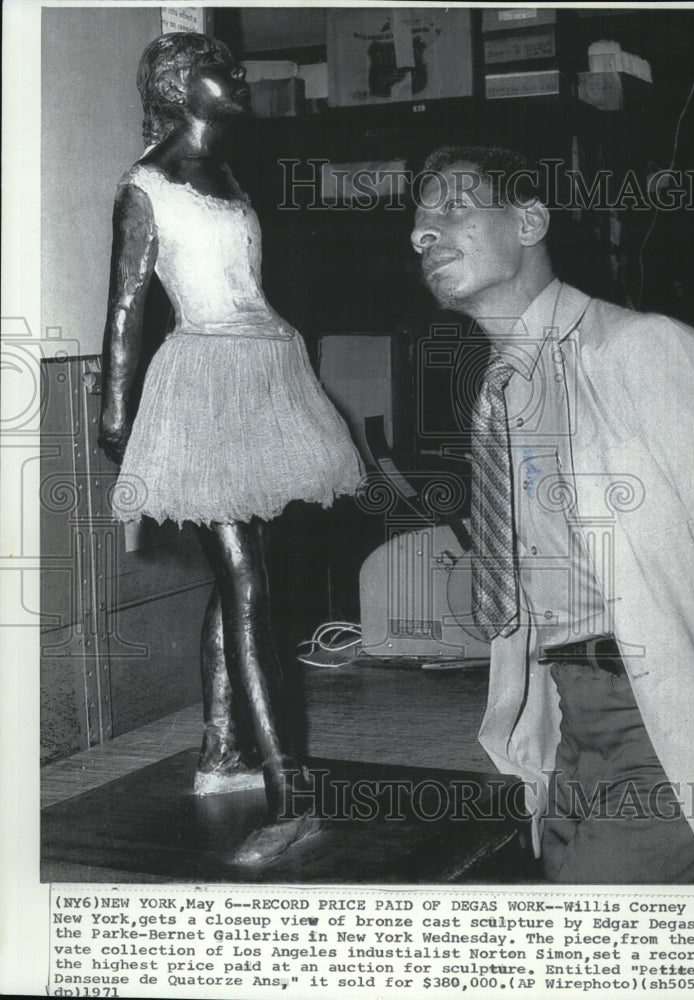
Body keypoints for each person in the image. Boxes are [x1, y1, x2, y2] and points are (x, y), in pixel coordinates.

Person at [410, 145, 694, 883]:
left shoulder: (645, 351)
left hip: (669, 721)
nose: (425, 235)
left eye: (452, 209)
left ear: (529, 219)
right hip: (569, 723)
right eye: (418, 227)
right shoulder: (494, 395)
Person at [99, 32, 363, 865]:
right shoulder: (146, 185)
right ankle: (290, 796)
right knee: (246, 582)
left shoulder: (225, 174)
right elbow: (125, 312)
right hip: (203, 381)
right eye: (221, 67)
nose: (238, 76)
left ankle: (222, 754)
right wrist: (117, 415)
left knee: (242, 576)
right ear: (179, 84)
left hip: (265, 372)